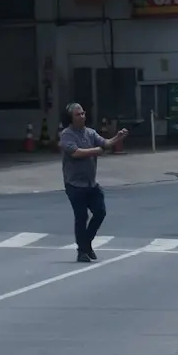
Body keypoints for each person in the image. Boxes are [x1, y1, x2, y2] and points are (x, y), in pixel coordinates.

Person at [59, 100, 125, 262]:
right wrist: (95, 151)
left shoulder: (90, 132)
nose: (82, 116)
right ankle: (82, 251)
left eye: (83, 113)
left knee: (100, 211)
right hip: (74, 184)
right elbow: (75, 152)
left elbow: (105, 143)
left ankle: (86, 243)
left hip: (90, 183)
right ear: (71, 118)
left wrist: (118, 137)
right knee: (81, 217)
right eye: (78, 114)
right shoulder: (67, 134)